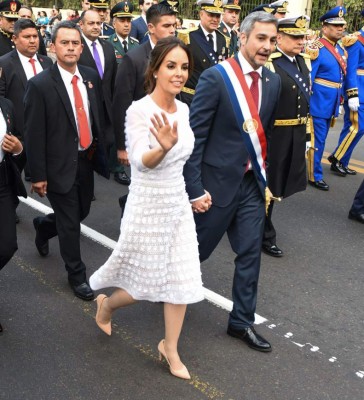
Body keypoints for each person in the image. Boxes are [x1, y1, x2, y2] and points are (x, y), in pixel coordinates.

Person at [89, 36, 203, 380]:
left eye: (184, 67)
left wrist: (197, 192)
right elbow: (141, 161)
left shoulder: (183, 109)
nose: (179, 73)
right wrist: (163, 148)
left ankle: (170, 346)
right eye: (171, 66)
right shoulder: (139, 110)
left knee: (181, 278)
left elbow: (186, 160)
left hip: (177, 203)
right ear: (154, 70)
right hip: (148, 204)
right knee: (145, 284)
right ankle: (105, 306)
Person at [184, 11, 281, 352]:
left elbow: (263, 135)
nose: (267, 46)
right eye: (261, 38)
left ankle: (241, 322)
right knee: (194, 253)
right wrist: (194, 189)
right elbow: (194, 139)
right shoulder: (216, 77)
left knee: (251, 253)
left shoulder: (273, 82)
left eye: (272, 40)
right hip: (214, 187)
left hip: (250, 186)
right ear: (242, 38)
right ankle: (161, 290)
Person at [24, 21, 109, 301]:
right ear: (53, 46)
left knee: (80, 212)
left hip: (85, 159)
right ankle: (77, 275)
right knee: (71, 224)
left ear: (81, 47)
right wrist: (38, 175)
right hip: (57, 164)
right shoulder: (40, 85)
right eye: (65, 43)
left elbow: (96, 114)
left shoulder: (89, 75)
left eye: (75, 43)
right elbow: (34, 133)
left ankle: (44, 226)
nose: (71, 47)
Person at [112, 0, 178, 189]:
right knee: (144, 188)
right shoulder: (134, 59)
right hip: (143, 137)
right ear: (151, 28)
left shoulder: (178, 54)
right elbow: (121, 104)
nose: (172, 30)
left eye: (174, 25)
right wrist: (122, 146)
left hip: (171, 135)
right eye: (166, 26)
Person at [262, 15, 311, 257]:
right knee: (268, 185)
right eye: (295, 37)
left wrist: (307, 136)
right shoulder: (271, 64)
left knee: (280, 183)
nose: (301, 41)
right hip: (276, 133)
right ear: (279, 38)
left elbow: (306, 103)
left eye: (302, 37)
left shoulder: (303, 62)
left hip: (295, 132)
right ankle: (263, 232)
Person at [78, 10, 129, 185]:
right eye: (91, 23)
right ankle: (85, 182)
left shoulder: (108, 47)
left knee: (108, 140)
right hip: (83, 106)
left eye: (98, 23)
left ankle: (109, 168)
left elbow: (113, 79)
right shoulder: (76, 47)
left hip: (106, 105)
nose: (95, 27)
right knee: (84, 145)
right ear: (81, 25)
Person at [0, 19, 53, 182]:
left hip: (46, 132)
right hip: (17, 135)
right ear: (14, 39)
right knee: (12, 181)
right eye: (27, 37)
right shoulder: (4, 63)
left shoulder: (47, 62)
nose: (32, 40)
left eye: (35, 36)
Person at [305, 6, 346, 191]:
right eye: (335, 25)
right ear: (324, 27)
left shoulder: (339, 49)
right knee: (317, 142)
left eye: (342, 26)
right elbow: (309, 79)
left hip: (331, 102)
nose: (340, 29)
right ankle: (315, 176)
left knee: (318, 141)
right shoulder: (317, 48)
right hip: (318, 103)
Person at [0, 96, 27, 333]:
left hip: (2, 183)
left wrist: (18, 148)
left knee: (7, 246)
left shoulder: (7, 105)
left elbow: (20, 140)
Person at [327, 10, 364, 177]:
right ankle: (337, 157)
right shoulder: (356, 40)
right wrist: (352, 93)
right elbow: (351, 70)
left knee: (352, 127)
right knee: (358, 127)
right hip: (358, 90)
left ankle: (342, 161)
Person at [179, 0, 229, 107]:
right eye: (211, 15)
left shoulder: (223, 39)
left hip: (214, 98)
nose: (215, 19)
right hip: (191, 97)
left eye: (218, 16)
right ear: (201, 14)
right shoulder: (188, 37)